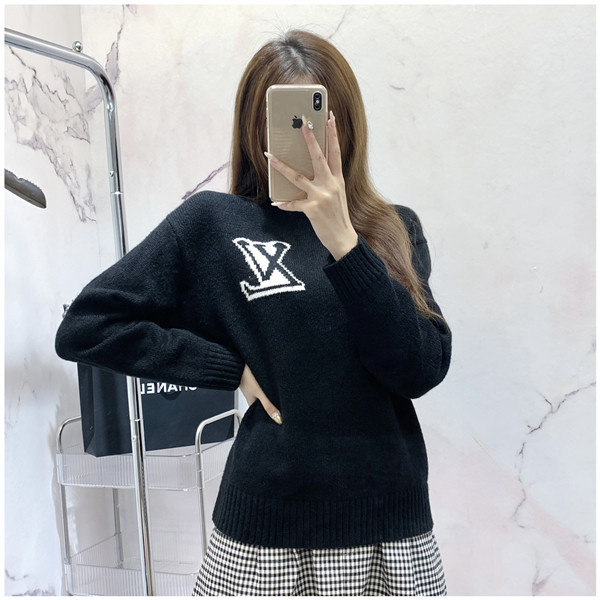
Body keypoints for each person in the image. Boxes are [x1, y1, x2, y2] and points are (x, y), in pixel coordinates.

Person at [55, 29, 452, 596]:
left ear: (346, 125)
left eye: (321, 120)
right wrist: (228, 368)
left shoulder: (393, 229)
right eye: (289, 123)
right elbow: (89, 325)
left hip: (388, 530)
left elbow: (420, 370)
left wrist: (345, 243)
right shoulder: (215, 224)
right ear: (255, 129)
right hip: (265, 529)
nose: (308, 139)